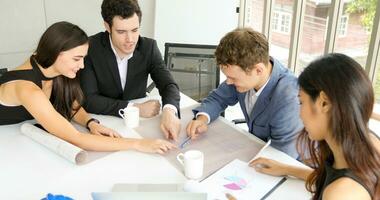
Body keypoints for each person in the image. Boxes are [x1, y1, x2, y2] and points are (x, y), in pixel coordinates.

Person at [0, 21, 175, 154]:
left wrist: (90, 123)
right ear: (55, 53)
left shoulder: (51, 67)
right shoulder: (27, 89)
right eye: (77, 59)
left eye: (83, 58)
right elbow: (76, 138)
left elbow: (70, 104)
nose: (82, 65)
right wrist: (138, 143)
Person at [250, 53, 380, 200]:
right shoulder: (367, 140)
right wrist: (286, 169)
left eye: (301, 102)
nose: (299, 114)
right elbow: (330, 176)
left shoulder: (339, 194)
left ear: (324, 103)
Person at [186, 28, 303, 158]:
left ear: (258, 70)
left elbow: (283, 158)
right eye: (227, 77)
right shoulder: (248, 72)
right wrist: (202, 119)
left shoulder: (289, 99)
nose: (228, 83)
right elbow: (218, 98)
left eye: (233, 78)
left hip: (293, 168)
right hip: (257, 149)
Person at [80, 0, 181, 141]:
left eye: (135, 30)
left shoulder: (149, 47)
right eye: (121, 32)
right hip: (104, 124)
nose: (130, 39)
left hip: (139, 127)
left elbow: (168, 85)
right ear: (107, 27)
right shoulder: (90, 48)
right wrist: (134, 108)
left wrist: (169, 111)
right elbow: (89, 100)